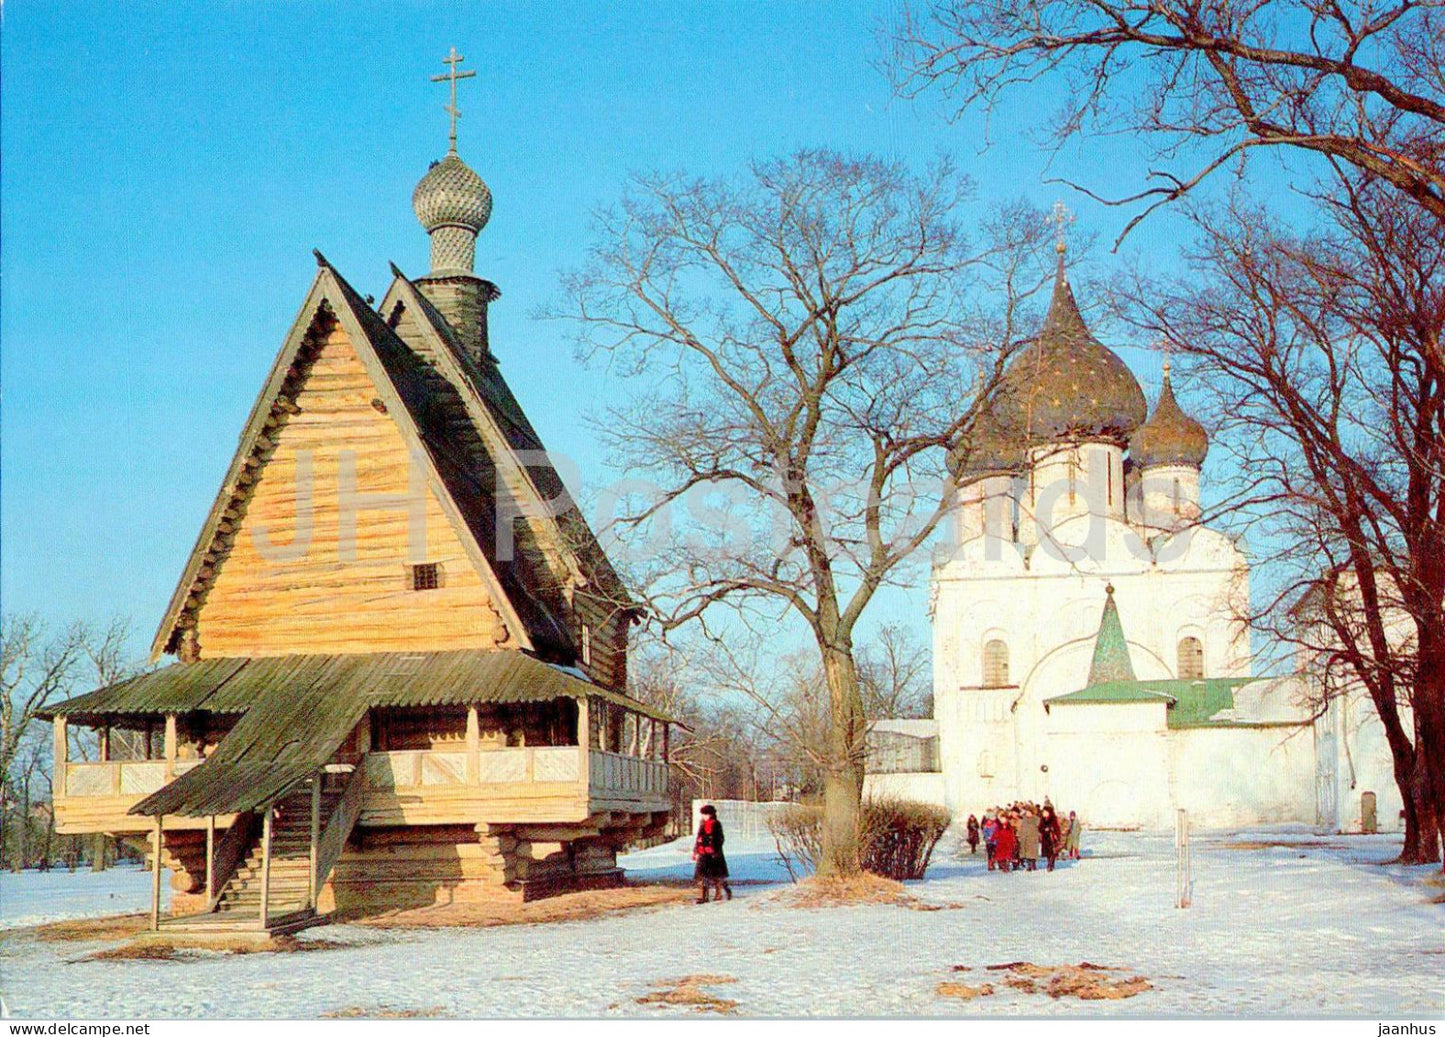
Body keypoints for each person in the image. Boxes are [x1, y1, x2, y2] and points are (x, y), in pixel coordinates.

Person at [693, 804, 731, 903]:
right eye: (703, 815)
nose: (704, 817)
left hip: (714, 855)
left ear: (711, 814)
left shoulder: (716, 824)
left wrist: (713, 848)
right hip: (704, 854)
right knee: (703, 876)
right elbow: (699, 838)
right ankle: (704, 897)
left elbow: (720, 839)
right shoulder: (702, 824)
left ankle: (725, 891)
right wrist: (696, 850)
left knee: (717, 877)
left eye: (706, 814)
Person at [1040, 804, 1062, 871]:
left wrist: (1050, 829)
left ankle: (1051, 864)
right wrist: (1044, 829)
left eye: (1045, 812)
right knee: (1047, 853)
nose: (1043, 813)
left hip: (1051, 838)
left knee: (1052, 852)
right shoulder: (1042, 819)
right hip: (1045, 838)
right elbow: (1040, 827)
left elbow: (1056, 828)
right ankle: (1049, 862)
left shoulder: (1053, 819)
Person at [1018, 807, 1041, 872]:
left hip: (1033, 838)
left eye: (1029, 812)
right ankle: (1029, 865)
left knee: (1032, 852)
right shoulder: (1024, 820)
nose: (1027, 813)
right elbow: (1021, 828)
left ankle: (1033, 864)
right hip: (1025, 838)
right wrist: (1020, 835)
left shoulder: (1036, 819)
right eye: (1027, 812)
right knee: (1026, 853)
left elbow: (1039, 827)